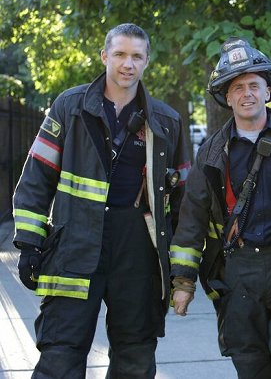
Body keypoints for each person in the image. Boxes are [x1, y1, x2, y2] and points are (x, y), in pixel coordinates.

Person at [12, 23, 190, 377]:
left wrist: (180, 270)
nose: (128, 64)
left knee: (135, 355)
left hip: (137, 249)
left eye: (137, 56)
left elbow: (184, 203)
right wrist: (29, 244)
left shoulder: (166, 122)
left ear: (147, 62)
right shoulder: (70, 107)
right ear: (104, 56)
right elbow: (36, 177)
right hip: (74, 245)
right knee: (60, 353)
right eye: (121, 54)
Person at [169, 37, 271, 378]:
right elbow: (192, 219)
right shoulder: (212, 154)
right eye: (238, 87)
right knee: (251, 366)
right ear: (227, 98)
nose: (247, 94)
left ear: (268, 90)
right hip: (239, 273)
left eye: (254, 85)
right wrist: (183, 283)